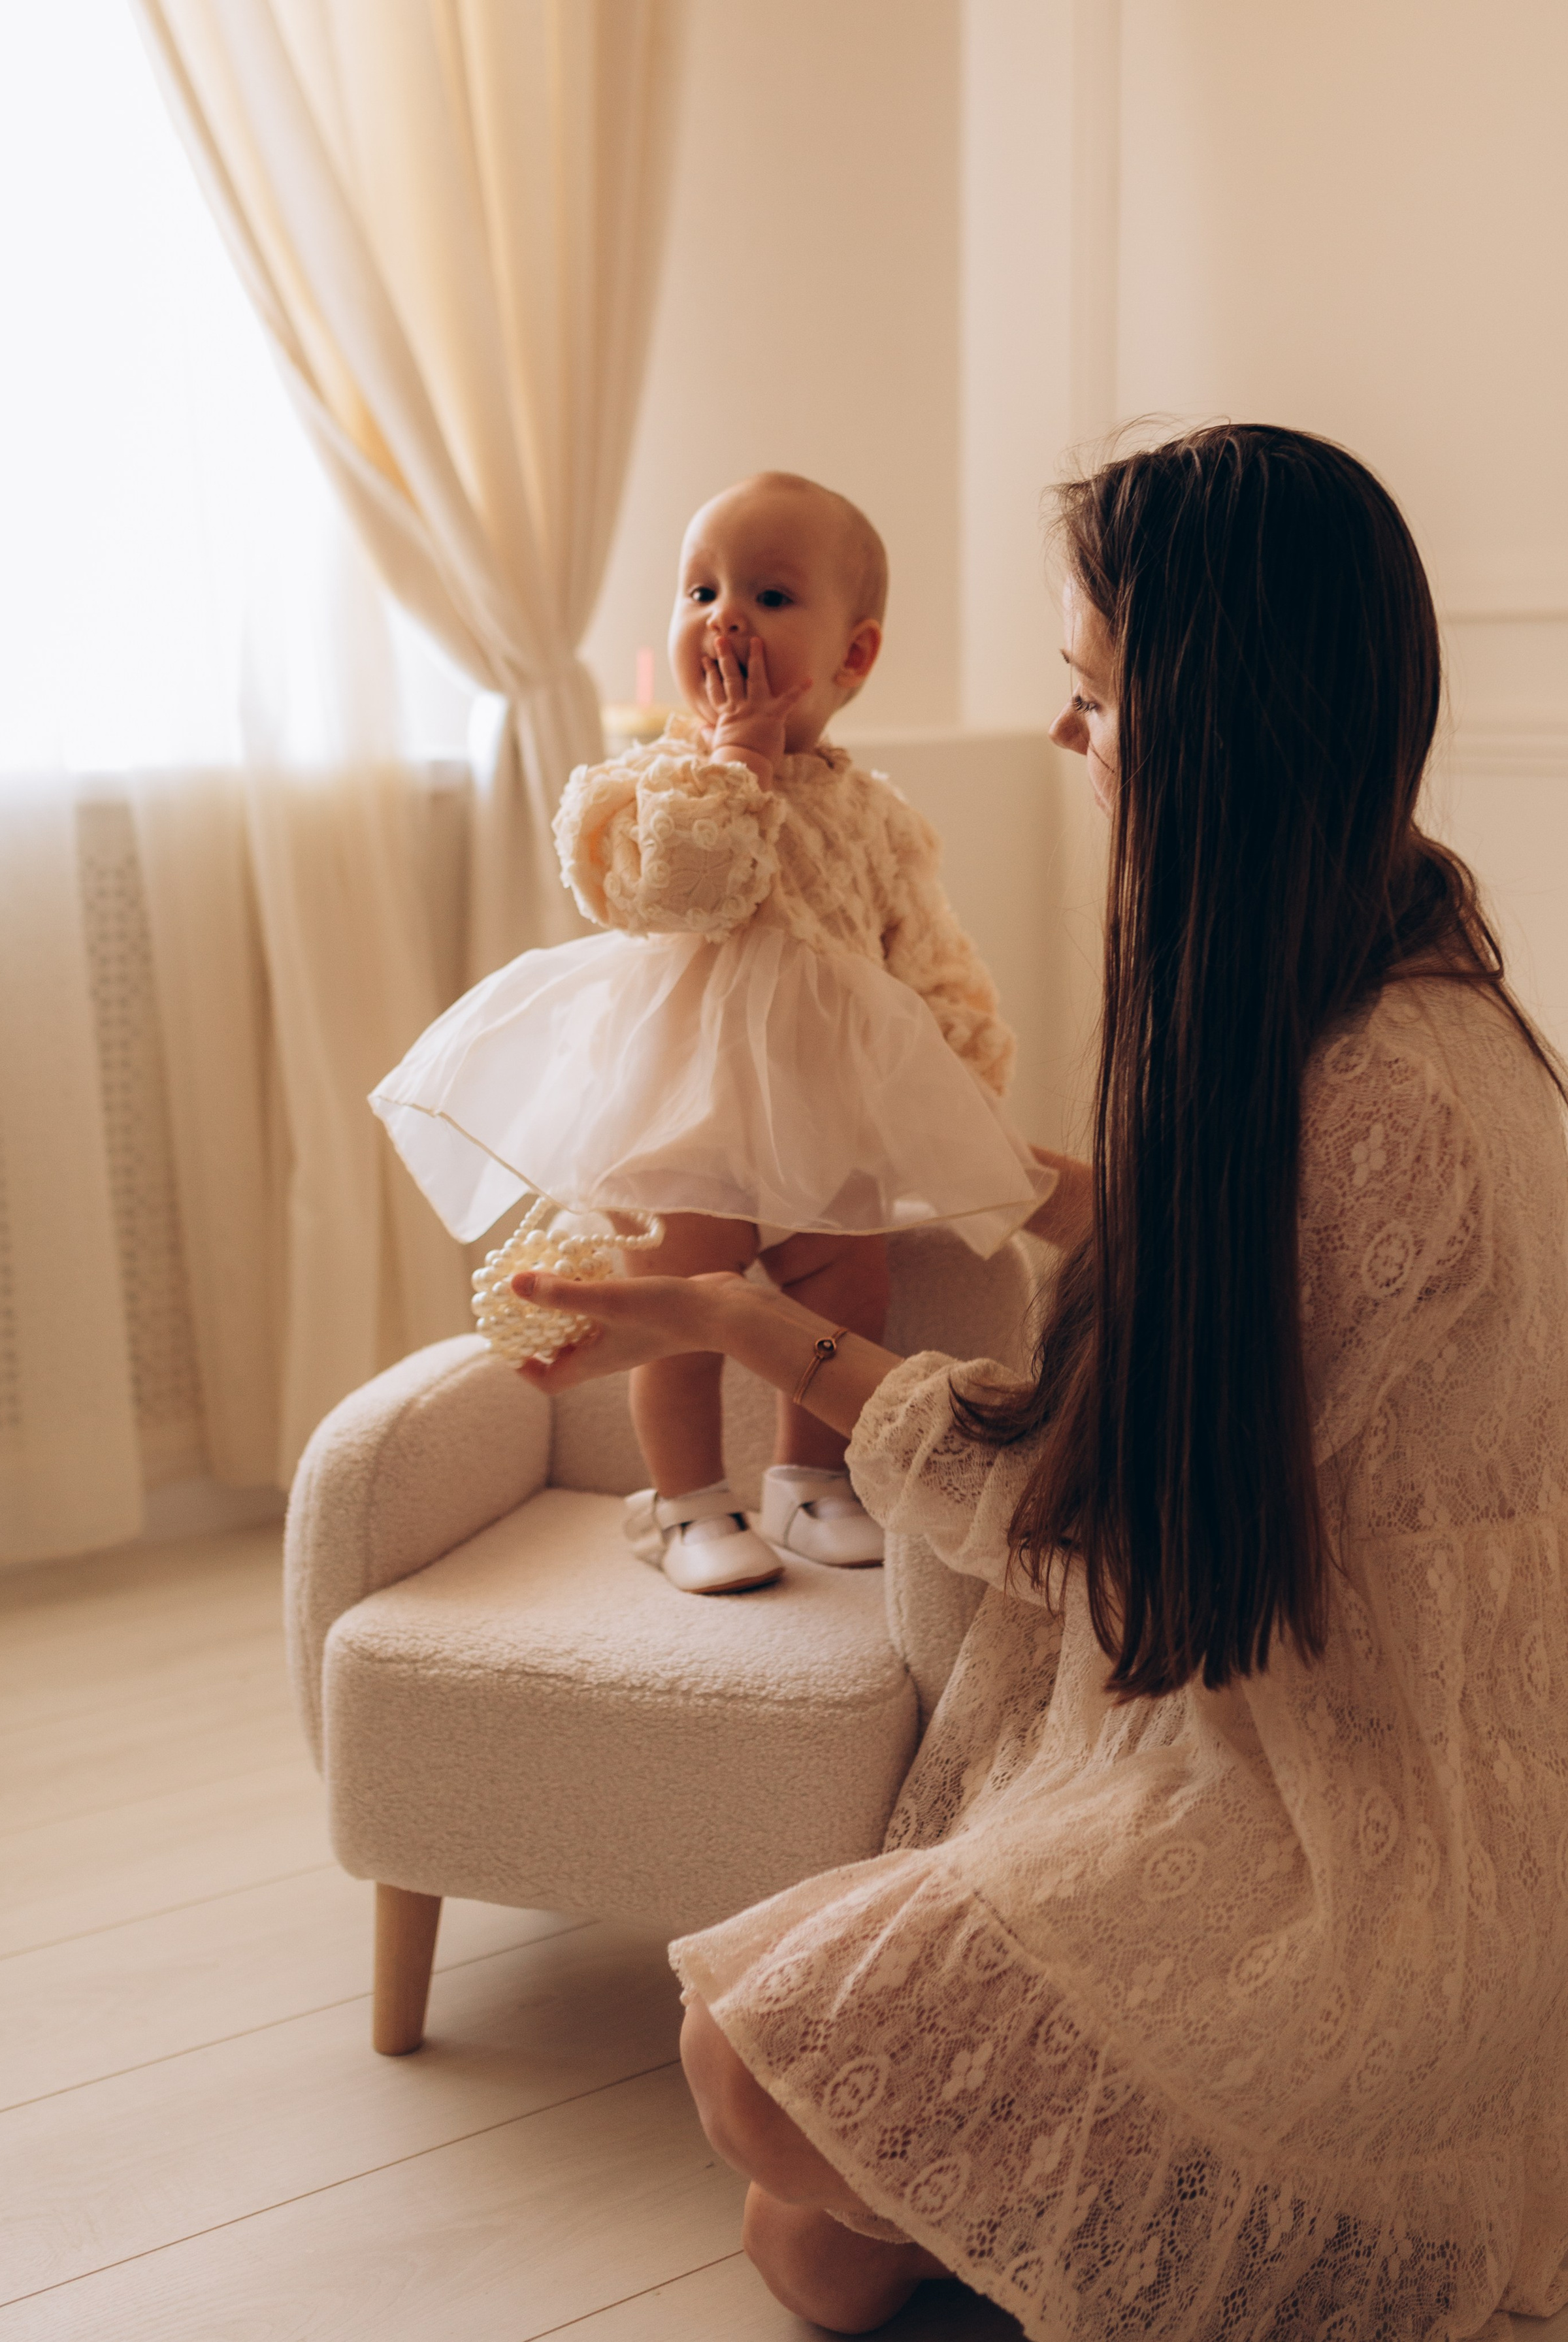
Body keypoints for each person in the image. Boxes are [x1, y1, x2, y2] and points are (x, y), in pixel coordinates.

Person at [502, 425, 1568, 2337]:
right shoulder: (1384, 982)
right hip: (1313, 1733)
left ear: (1211, 719)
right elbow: (1226, 1285)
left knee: (760, 2101)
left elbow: (1132, 1543)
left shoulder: (1377, 1105)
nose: (1077, 748)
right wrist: (982, 1177)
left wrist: (748, 1325)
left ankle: (1302, 2234)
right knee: (801, 2204)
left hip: (1377, 1836)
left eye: (1091, 697)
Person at [373, 470, 1054, 1597]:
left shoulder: (874, 811)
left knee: (847, 1283)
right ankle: (685, 1503)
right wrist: (733, 759)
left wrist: (964, 1074)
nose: (724, 616)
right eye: (700, 589)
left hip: (823, 1111)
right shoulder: (654, 779)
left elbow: (925, 951)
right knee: (678, 1305)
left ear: (856, 656)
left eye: (771, 596)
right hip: (685, 1101)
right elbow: (677, 892)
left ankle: (811, 1477)